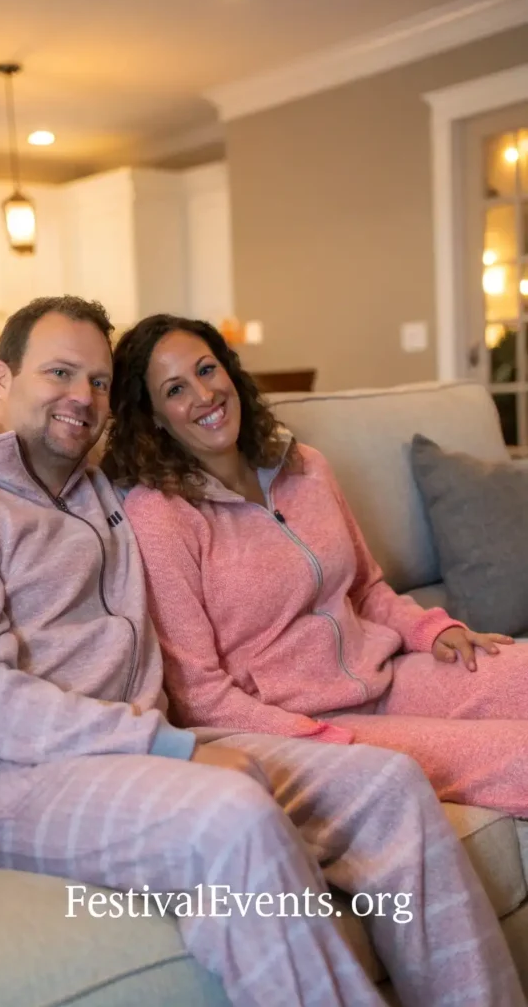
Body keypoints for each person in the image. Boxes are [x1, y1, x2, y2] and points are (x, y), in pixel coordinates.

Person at [0, 296, 524, 1007]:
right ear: (0, 377)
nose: (79, 398)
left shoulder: (98, 490)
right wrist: (173, 748)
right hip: (3, 778)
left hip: (146, 742)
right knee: (231, 819)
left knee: (388, 784)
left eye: (95, 382)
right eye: (58, 373)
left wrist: (169, 742)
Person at [104, 312, 528, 819]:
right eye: (175, 389)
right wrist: (315, 742)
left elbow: (367, 589)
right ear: (152, 416)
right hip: (304, 719)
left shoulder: (305, 466)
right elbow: (199, 696)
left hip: (386, 674)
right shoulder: (161, 516)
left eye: (207, 369)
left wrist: (432, 631)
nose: (203, 395)